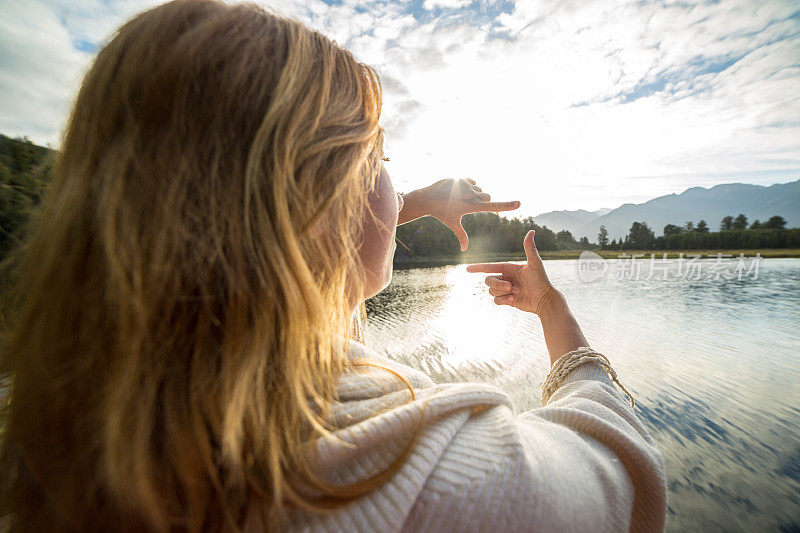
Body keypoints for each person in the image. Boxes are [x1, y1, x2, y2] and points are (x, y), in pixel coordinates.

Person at [0, 0, 667, 531]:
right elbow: (622, 470)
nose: (388, 182)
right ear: (318, 204)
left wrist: (414, 201)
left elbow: (275, 235)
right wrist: (555, 312)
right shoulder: (430, 476)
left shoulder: (52, 422)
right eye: (379, 157)